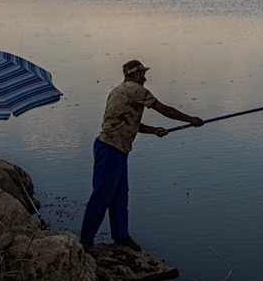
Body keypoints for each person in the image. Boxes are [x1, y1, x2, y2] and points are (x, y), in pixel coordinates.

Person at [80, 59, 203, 255]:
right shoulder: (136, 90)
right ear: (136, 74)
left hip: (116, 148)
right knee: (102, 194)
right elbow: (164, 109)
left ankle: (121, 236)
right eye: (143, 74)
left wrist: (153, 130)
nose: (145, 78)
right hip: (110, 148)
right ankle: (86, 241)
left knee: (120, 194)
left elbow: (128, 122)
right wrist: (191, 119)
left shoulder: (118, 90)